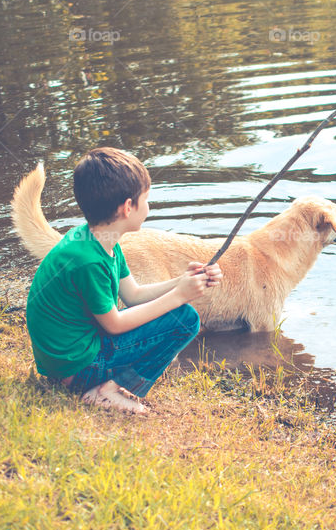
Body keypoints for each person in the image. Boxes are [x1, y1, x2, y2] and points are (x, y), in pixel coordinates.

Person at [25, 147, 222, 414]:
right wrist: (179, 296)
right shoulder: (90, 261)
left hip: (69, 359)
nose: (149, 207)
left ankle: (105, 385)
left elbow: (133, 294)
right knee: (186, 319)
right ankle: (107, 391)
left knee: (178, 312)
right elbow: (115, 325)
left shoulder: (97, 239)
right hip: (76, 369)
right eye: (146, 199)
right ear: (128, 207)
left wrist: (182, 281)